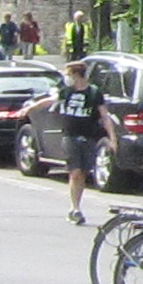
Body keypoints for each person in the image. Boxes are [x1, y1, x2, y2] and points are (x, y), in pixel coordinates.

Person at [52, 60, 107, 224]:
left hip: (88, 136)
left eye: (68, 74)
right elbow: (51, 101)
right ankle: (75, 208)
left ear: (76, 75)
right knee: (75, 172)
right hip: (70, 136)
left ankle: (76, 204)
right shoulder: (66, 91)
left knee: (82, 173)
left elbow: (104, 115)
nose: (66, 78)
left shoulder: (94, 93)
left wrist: (112, 138)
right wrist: (29, 108)